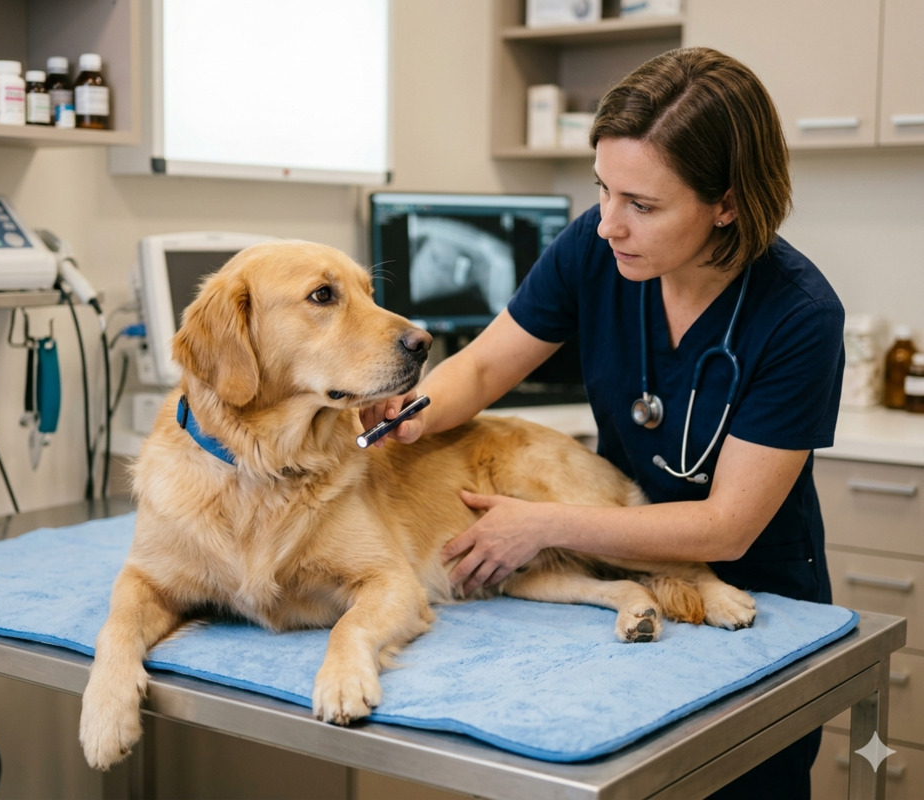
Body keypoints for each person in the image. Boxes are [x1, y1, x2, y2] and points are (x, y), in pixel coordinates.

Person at [362, 47, 845, 799]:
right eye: (603, 190)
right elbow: (485, 369)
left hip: (754, 602)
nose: (608, 224)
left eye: (641, 205)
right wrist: (410, 413)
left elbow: (726, 528)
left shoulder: (799, 318)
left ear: (727, 203)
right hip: (622, 576)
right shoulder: (595, 250)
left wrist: (541, 525)